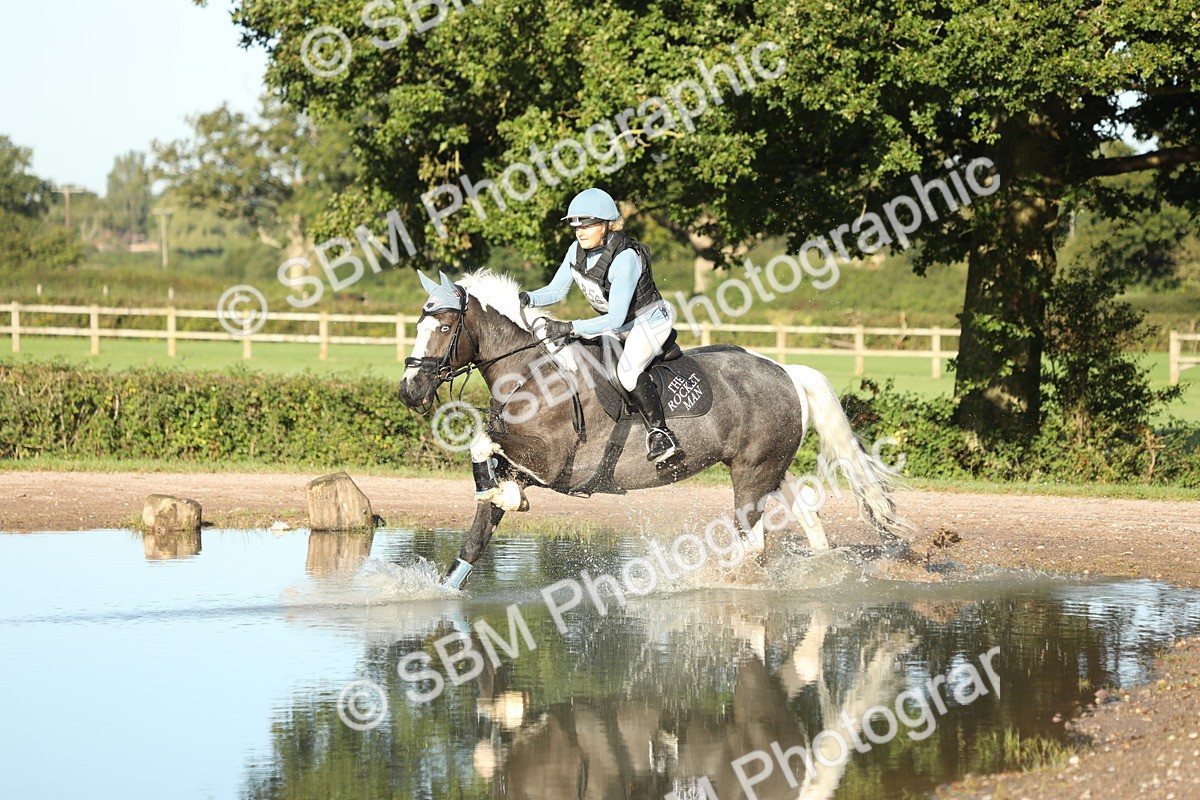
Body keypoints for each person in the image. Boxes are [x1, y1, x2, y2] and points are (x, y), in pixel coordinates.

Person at [520, 187, 684, 465]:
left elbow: (617, 319)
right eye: (576, 226)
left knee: (628, 372)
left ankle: (660, 434)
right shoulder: (576, 250)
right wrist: (526, 297)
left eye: (588, 225)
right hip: (619, 325)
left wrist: (572, 326)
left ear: (609, 225)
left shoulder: (625, 257)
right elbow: (557, 290)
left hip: (648, 323)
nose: (580, 232)